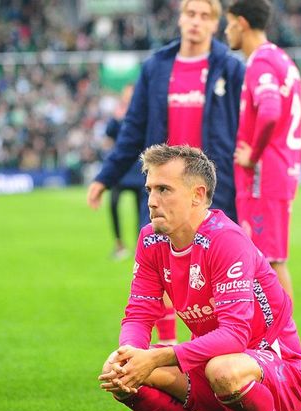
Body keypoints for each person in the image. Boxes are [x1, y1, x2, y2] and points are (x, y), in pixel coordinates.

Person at [99, 144, 301, 411]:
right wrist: (130, 355)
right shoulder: (151, 240)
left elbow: (234, 336)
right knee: (119, 369)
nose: (152, 200)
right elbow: (139, 312)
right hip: (212, 364)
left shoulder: (226, 241)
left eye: (164, 189)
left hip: (280, 372)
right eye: (150, 189)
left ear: (198, 196)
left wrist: (156, 356)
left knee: (224, 369)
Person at [87, 0, 245, 344]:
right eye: (190, 14)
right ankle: (168, 343)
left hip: (213, 192)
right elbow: (133, 128)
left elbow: (245, 127)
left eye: (205, 16)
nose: (196, 22)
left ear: (216, 24)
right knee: (163, 268)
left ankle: (221, 347)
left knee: (216, 275)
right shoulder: (156, 67)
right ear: (180, 18)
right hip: (165, 188)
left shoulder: (230, 69)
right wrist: (105, 177)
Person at [225, 0, 301, 300]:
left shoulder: (261, 62)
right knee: (269, 260)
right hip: (280, 169)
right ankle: (277, 342)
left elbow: (270, 110)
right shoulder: (280, 58)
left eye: (229, 23)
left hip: (265, 175)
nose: (226, 31)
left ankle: (283, 343)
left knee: (268, 262)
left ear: (241, 23)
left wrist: (253, 154)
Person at [104, 85, 142, 261]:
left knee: (140, 210)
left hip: (138, 169)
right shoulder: (118, 116)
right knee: (113, 203)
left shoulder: (143, 115)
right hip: (121, 169)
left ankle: (140, 247)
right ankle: (119, 243)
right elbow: (108, 137)